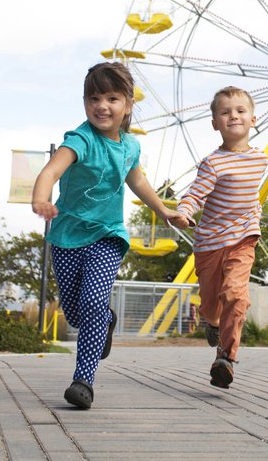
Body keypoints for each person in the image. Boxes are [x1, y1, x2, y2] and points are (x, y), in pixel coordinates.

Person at [32, 61, 179, 410]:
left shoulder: (130, 147)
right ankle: (104, 322)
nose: (102, 106)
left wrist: (162, 209)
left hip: (108, 238)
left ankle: (84, 380)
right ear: (85, 103)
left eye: (112, 98)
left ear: (127, 104)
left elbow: (138, 181)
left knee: (94, 302)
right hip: (67, 238)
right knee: (77, 313)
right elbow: (51, 170)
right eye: (94, 98)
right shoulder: (80, 140)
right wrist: (40, 197)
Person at [170, 86, 268, 389]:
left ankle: (225, 357)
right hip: (210, 243)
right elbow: (196, 193)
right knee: (212, 304)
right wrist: (184, 212)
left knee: (236, 296)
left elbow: (250, 194)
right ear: (215, 123)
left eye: (240, 111)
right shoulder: (213, 163)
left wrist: (255, 213)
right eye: (225, 112)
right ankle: (211, 322)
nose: (233, 116)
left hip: (243, 239)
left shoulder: (261, 159)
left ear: (253, 119)